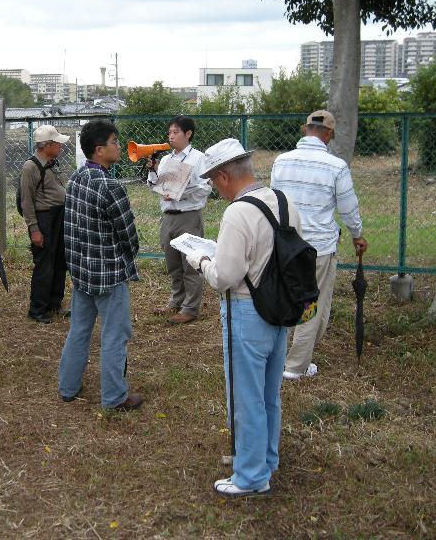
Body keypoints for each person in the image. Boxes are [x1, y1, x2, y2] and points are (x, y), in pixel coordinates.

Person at [187, 138, 302, 497]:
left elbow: (226, 277)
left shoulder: (238, 212)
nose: (213, 188)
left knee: (244, 395)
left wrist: (202, 260)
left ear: (223, 176)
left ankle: (251, 476)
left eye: (211, 181)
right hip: (279, 308)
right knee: (269, 392)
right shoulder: (283, 201)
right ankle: (264, 459)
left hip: (245, 311)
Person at [270, 110, 368, 380]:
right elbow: (348, 207)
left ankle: (278, 358)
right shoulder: (335, 166)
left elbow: (275, 200)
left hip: (287, 244)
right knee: (313, 304)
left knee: (287, 299)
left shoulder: (281, 161)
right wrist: (357, 234)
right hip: (319, 248)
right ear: (329, 135)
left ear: (305, 130)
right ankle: (295, 366)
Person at [57, 119, 144, 411]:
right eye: (114, 142)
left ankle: (68, 386)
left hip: (81, 272)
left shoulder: (75, 179)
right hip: (108, 274)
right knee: (115, 336)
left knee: (79, 330)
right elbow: (128, 234)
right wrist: (129, 256)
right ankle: (114, 398)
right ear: (99, 150)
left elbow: (70, 227)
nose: (119, 146)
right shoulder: (110, 186)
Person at [146, 115, 211, 324]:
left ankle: (190, 308)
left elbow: (205, 188)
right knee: (173, 262)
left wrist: (180, 192)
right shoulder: (166, 159)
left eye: (175, 132)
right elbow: (155, 185)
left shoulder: (199, 158)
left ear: (188, 134)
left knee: (190, 263)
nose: (171, 136)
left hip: (188, 216)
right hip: (169, 216)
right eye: (169, 132)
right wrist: (153, 171)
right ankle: (177, 299)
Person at [20, 124, 70, 325]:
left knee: (60, 261)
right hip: (44, 219)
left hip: (58, 216)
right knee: (44, 265)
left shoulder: (51, 163)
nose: (60, 147)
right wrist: (34, 229)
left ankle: (54, 304)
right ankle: (37, 309)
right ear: (46, 145)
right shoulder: (30, 167)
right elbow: (27, 201)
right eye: (57, 143)